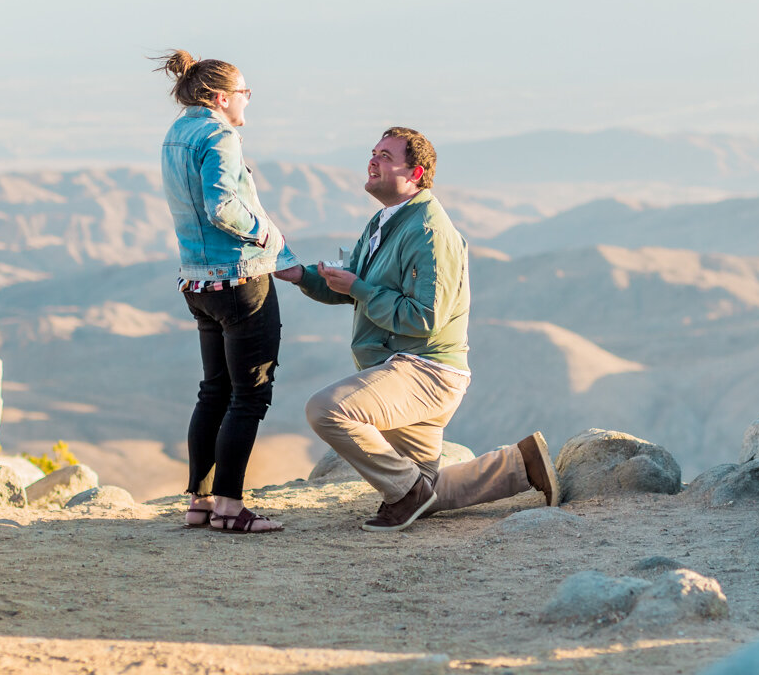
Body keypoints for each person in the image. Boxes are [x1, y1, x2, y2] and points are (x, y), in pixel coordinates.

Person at [274, 127, 559, 532]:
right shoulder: (385, 220)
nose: (373, 161)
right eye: (373, 153)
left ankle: (408, 494)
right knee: (428, 487)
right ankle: (522, 464)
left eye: (386, 157)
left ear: (416, 172)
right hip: (403, 366)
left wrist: (358, 287)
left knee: (326, 410)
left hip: (427, 370)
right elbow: (353, 284)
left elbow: (425, 317)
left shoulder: (429, 231)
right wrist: (300, 274)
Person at [155, 49, 299, 533]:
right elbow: (222, 206)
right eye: (244, 92)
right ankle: (230, 508)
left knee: (213, 390)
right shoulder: (220, 135)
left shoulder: (176, 134)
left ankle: (199, 501)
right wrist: (266, 235)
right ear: (220, 97)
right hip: (239, 279)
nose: (247, 100)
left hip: (196, 280)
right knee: (249, 396)